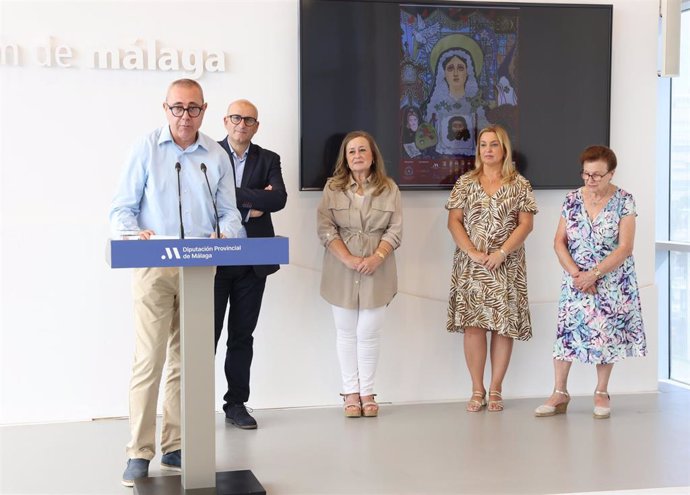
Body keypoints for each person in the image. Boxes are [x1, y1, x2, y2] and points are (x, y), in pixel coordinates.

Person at [109, 79, 243, 487]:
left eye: (193, 109)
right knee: (150, 358)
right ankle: (138, 451)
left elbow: (229, 212)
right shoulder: (145, 148)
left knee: (188, 362)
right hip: (155, 267)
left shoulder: (216, 155)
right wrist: (135, 234)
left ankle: (175, 444)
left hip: (203, 269)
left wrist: (228, 233)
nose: (185, 116)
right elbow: (121, 210)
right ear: (164, 108)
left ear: (204, 110)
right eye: (177, 108)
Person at [535, 145, 646, 419]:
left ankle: (601, 391)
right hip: (575, 279)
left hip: (611, 280)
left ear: (611, 174)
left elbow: (625, 248)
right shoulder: (572, 199)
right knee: (566, 333)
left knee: (605, 333)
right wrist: (577, 275)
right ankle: (559, 393)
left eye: (597, 175)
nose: (590, 180)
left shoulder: (625, 200)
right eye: (586, 174)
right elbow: (558, 242)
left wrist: (593, 275)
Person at [446, 125, 537, 412]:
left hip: (505, 266)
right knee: (474, 327)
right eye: (483, 144)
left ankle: (496, 389)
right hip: (471, 266)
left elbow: (526, 224)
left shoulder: (519, 184)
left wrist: (501, 252)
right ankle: (477, 389)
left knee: (502, 328)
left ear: (504, 149)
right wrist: (472, 252)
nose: (487, 149)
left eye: (494, 145)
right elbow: (454, 222)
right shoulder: (465, 182)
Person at [317, 131, 402, 418]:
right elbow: (326, 228)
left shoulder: (389, 188)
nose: (357, 155)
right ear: (345, 157)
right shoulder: (333, 187)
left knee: (369, 332)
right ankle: (350, 393)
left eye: (362, 150)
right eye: (351, 151)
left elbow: (395, 229)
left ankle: (367, 392)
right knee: (345, 332)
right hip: (341, 269)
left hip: (379, 269)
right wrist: (349, 258)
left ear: (372, 154)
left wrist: (377, 257)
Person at [214, 99, 287, 429]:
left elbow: (279, 199)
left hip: (254, 259)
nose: (242, 124)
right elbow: (203, 198)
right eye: (236, 118)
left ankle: (236, 404)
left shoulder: (269, 158)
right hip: (213, 259)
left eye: (249, 120)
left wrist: (232, 196)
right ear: (225, 121)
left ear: (256, 126)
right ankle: (194, 404)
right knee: (205, 336)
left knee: (242, 336)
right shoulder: (206, 154)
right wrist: (253, 201)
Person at [424, 36, 490, 156]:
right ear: (443, 74)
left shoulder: (477, 104)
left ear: (467, 72)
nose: (455, 73)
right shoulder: (435, 105)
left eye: (460, 68)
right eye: (450, 68)